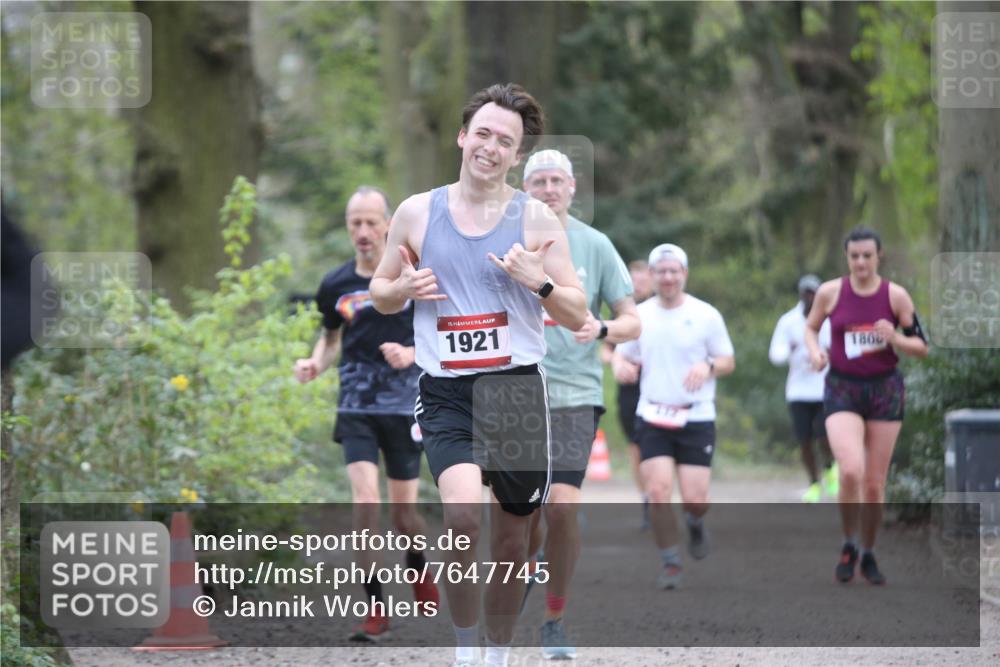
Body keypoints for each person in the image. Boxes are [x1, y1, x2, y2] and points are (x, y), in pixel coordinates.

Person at [370, 83, 586, 667]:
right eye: (483, 133)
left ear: (516, 156)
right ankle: (467, 650)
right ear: (463, 136)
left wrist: (536, 281)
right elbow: (380, 293)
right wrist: (402, 288)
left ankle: (497, 650)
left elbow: (577, 313)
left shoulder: (535, 218)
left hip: (516, 391)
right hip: (448, 392)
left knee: (514, 542)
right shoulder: (417, 212)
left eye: (505, 141)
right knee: (464, 519)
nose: (491, 147)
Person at [293, 186, 438, 641]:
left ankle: (417, 568)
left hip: (402, 405)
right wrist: (315, 362)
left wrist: (412, 352)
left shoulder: (415, 276)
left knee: (403, 517)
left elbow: (441, 334)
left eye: (371, 222)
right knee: (364, 501)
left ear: (389, 223)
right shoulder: (336, 285)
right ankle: (375, 607)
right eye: (354, 222)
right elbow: (330, 339)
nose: (362, 231)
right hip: (355, 404)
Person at [519, 149, 641, 659]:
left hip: (575, 393)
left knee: (561, 506)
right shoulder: (505, 241)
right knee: (521, 515)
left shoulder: (595, 245)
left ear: (573, 187)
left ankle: (554, 616)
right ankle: (526, 562)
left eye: (557, 181)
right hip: (515, 391)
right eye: (539, 181)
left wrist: (604, 328)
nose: (549, 189)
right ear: (525, 189)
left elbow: (633, 319)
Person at [804, 227, 928, 586]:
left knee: (874, 484)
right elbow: (811, 329)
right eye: (854, 256)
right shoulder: (830, 292)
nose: (860, 262)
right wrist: (815, 351)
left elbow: (922, 346)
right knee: (851, 471)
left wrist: (897, 339)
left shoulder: (896, 296)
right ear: (847, 257)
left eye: (867, 256)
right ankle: (848, 543)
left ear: (879, 256)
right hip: (842, 387)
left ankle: (869, 551)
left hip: (884, 389)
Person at [613, 243, 735, 590]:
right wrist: (622, 367)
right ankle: (670, 562)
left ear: (684, 274)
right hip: (653, 415)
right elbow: (622, 355)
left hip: (696, 417)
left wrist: (707, 365)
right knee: (658, 490)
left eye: (673, 270)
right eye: (661, 271)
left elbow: (727, 360)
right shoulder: (640, 316)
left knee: (696, 500)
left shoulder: (706, 315)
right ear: (651, 276)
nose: (667, 277)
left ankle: (695, 523)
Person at [769, 274, 837, 502]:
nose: (809, 297)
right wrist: (791, 348)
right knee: (804, 439)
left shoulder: (830, 320)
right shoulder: (788, 322)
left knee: (823, 433)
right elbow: (775, 355)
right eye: (806, 293)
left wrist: (829, 354)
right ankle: (814, 483)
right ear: (800, 294)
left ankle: (830, 466)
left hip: (825, 388)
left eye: (813, 293)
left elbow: (841, 350)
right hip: (798, 391)